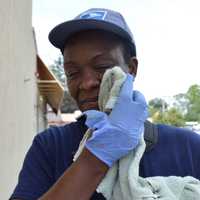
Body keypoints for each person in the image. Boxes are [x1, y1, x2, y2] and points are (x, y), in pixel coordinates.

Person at [10, 8, 200, 200]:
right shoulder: (50, 148)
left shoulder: (187, 148)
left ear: (132, 69)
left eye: (102, 67)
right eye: (73, 73)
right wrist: (96, 156)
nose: (86, 83)